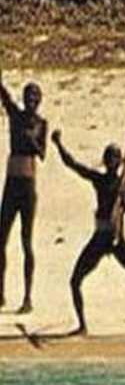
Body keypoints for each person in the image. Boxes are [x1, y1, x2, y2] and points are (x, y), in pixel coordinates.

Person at [51, 129, 125, 335]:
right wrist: (58, 144)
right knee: (75, 280)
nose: (112, 162)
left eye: (116, 158)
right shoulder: (100, 180)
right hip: (100, 239)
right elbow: (73, 165)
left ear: (120, 162)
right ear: (105, 162)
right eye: (109, 158)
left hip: (117, 239)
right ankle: (82, 325)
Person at [0, 79, 47, 313]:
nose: (30, 102)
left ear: (38, 102)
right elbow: (4, 95)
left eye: (34, 99)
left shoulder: (41, 124)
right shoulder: (15, 116)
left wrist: (32, 140)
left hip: (28, 184)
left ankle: (28, 297)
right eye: (27, 97)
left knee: (26, 241)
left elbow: (42, 153)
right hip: (11, 182)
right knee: (1, 239)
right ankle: (0, 293)